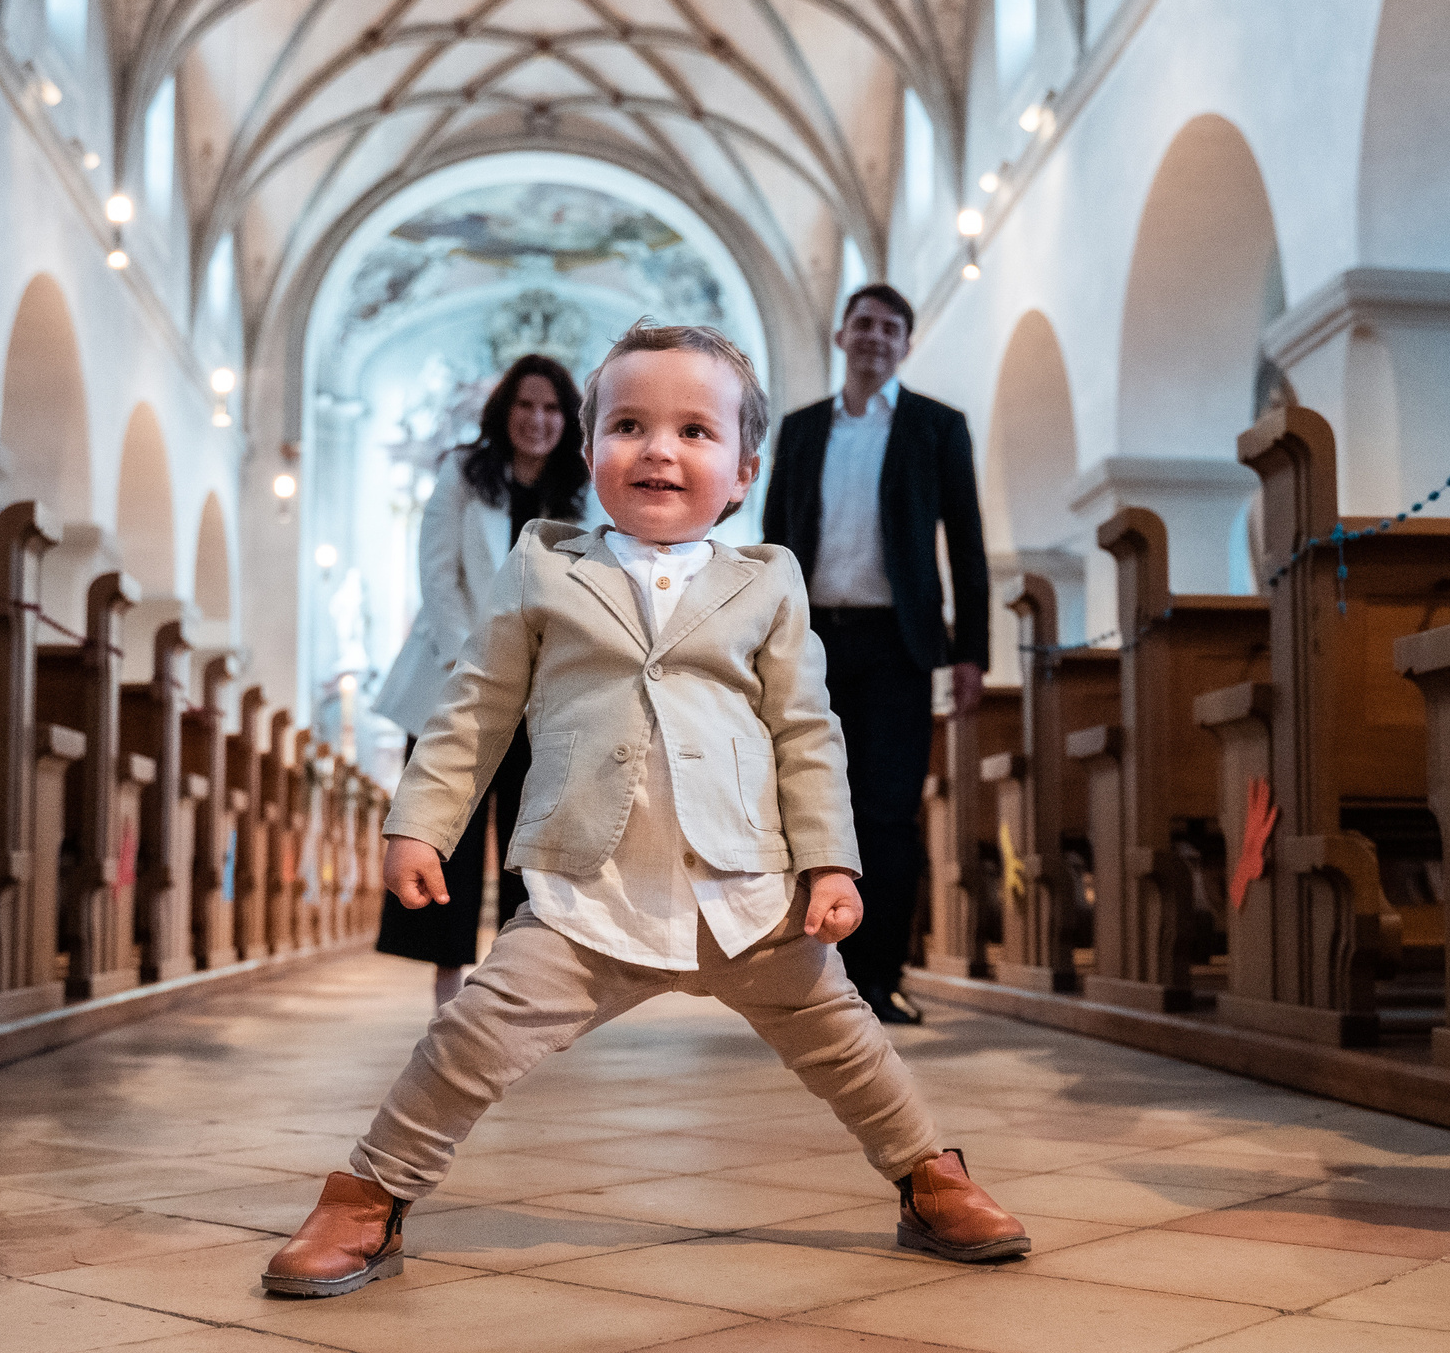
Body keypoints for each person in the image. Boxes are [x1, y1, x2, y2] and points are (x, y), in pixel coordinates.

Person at [260, 319, 1028, 1298]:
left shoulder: (767, 581)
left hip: (746, 892)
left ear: (743, 470)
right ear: (589, 453)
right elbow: (477, 706)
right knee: (468, 1038)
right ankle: (369, 1190)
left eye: (694, 431)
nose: (659, 449)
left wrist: (830, 860)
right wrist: (421, 823)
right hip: (589, 892)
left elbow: (806, 731)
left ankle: (928, 1174)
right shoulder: (546, 565)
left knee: (847, 1041)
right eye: (628, 425)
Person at [762, 283, 989, 1024]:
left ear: (905, 345)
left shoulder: (936, 426)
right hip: (812, 641)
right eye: (863, 323)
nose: (875, 336)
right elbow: (773, 541)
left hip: (898, 644)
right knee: (804, 805)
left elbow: (967, 540)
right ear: (841, 335)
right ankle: (804, 978)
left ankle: (879, 978)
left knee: (887, 814)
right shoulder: (800, 429)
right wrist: (759, 636)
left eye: (890, 327)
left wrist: (971, 651)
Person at [371, 356, 590, 1011]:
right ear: (504, 410)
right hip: (456, 676)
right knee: (448, 832)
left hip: (542, 689)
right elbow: (437, 572)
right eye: (526, 405)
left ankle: (516, 981)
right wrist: (470, 662)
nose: (537, 419)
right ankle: (447, 981)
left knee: (531, 837)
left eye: (551, 408)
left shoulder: (579, 488)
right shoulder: (464, 471)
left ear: (568, 418)